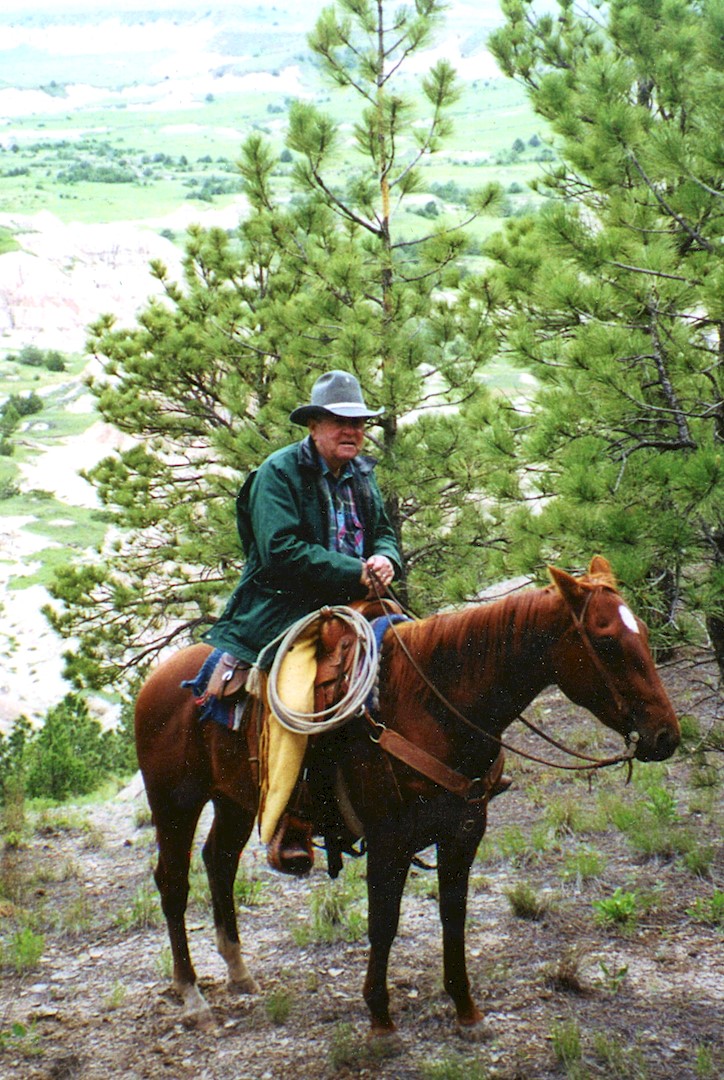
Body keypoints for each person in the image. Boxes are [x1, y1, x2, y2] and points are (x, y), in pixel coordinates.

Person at [203, 370, 402, 872]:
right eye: (339, 421)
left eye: (358, 422)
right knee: (295, 699)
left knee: (417, 662)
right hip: (287, 607)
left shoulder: (362, 473)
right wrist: (355, 572)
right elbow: (281, 551)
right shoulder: (278, 473)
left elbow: (383, 531)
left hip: (359, 604)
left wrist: (385, 559)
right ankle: (290, 819)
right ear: (313, 425)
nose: (351, 431)